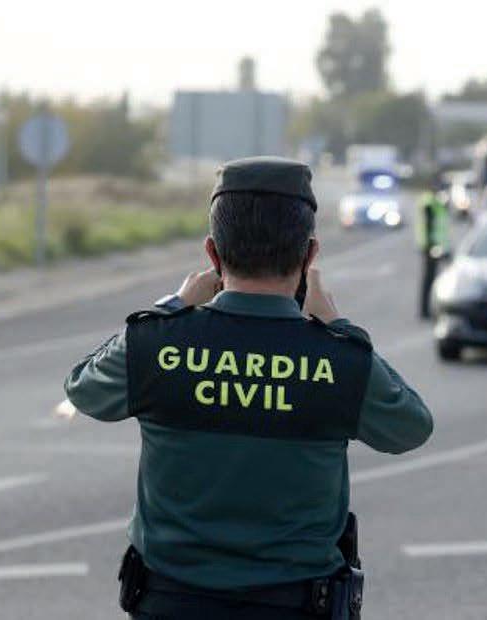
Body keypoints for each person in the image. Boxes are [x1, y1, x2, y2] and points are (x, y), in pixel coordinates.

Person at [64, 156, 434, 619]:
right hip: (295, 606)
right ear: (309, 257)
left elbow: (84, 388)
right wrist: (339, 327)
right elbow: (411, 426)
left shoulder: (158, 344)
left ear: (213, 254)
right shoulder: (338, 359)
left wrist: (172, 307)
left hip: (171, 604)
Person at [415, 186, 450, 319]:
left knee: (432, 279)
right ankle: (425, 311)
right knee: (429, 280)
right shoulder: (429, 204)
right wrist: (433, 248)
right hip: (432, 248)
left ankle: (428, 309)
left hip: (434, 247)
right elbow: (429, 228)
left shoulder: (434, 203)